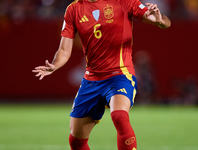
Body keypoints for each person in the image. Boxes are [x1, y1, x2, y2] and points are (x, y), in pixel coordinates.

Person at [32, 0, 171, 149]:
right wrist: (54, 64)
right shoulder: (73, 9)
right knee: (76, 141)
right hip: (91, 80)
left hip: (120, 74)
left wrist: (159, 19)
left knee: (119, 116)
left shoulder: (123, 2)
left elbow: (163, 22)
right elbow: (64, 50)